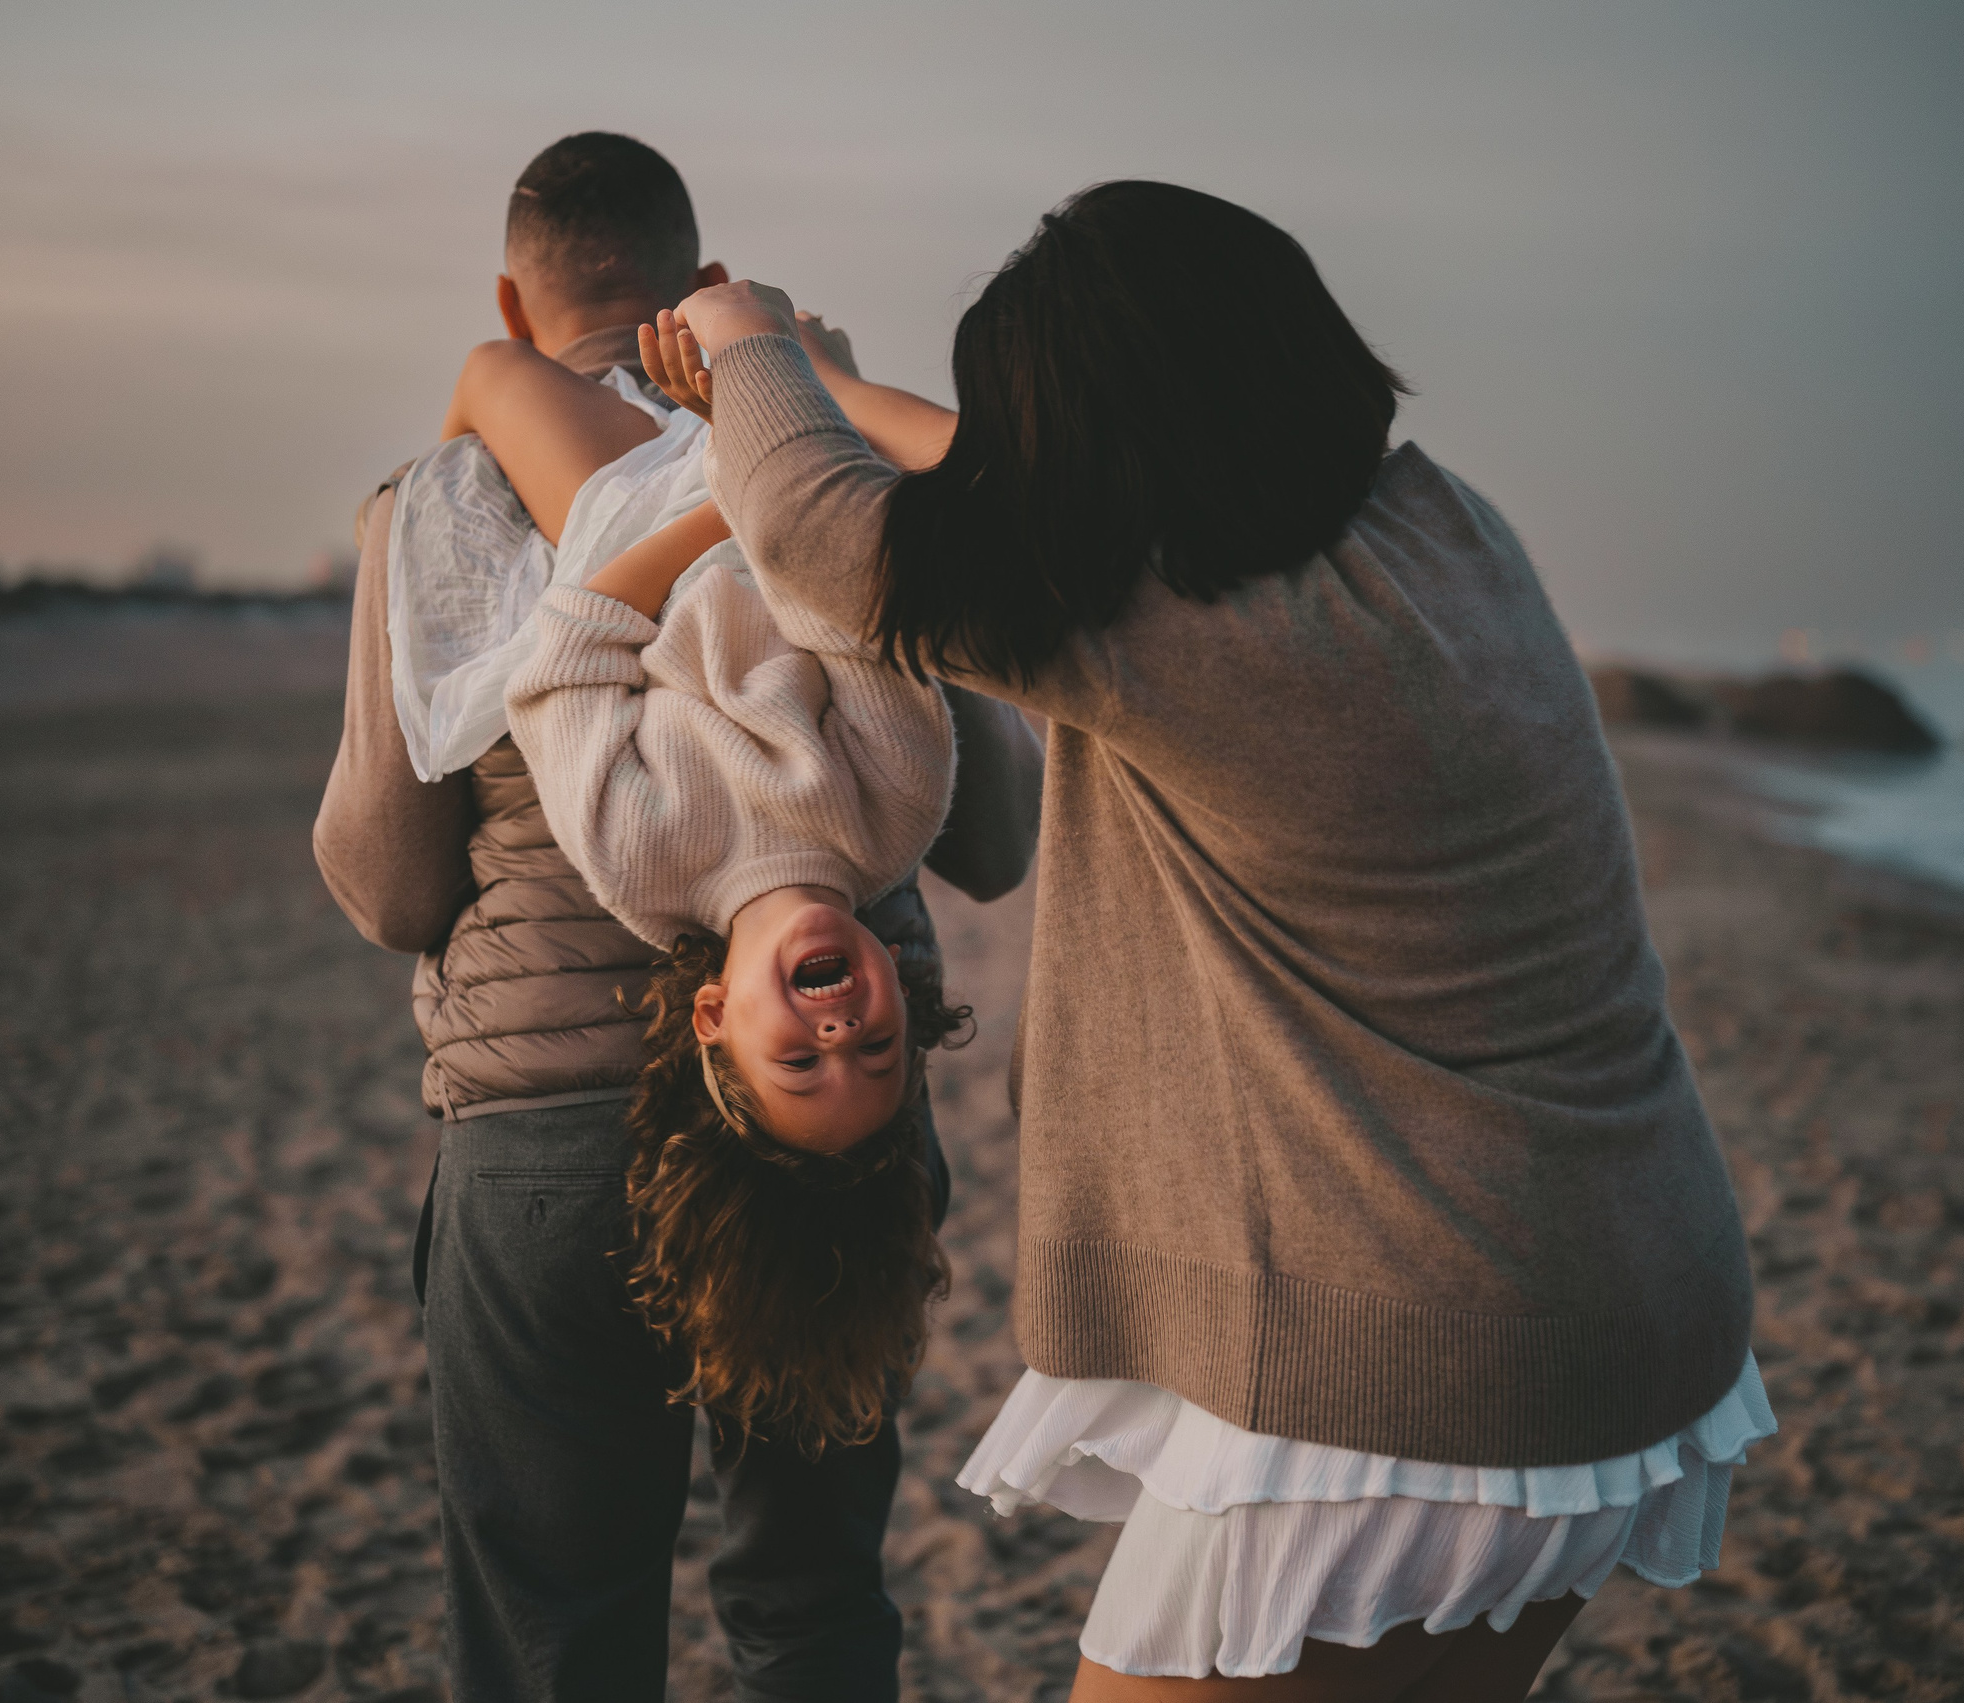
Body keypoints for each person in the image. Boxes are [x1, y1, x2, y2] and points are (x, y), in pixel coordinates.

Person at [648, 179, 1773, 1701]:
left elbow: (811, 542)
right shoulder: (1435, 527)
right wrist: (842, 392)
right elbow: (1020, 497)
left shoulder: (1164, 639)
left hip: (1441, 1361)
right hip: (1634, 1297)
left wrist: (741, 337)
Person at [311, 132, 1043, 1702]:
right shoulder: (818, 464)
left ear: (516, 302)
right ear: (713, 291)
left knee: (556, 1627)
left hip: (543, 1141)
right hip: (836, 1176)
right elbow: (996, 837)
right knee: (814, 1600)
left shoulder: (428, 508)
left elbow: (387, 891)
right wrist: (798, 450)